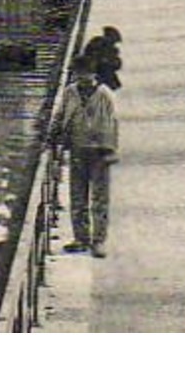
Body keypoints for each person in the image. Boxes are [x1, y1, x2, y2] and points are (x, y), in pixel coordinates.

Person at [51, 56, 119, 258]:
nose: (83, 79)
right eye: (79, 75)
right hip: (77, 149)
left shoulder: (104, 94)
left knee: (99, 198)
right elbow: (61, 115)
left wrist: (110, 149)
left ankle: (98, 240)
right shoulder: (70, 92)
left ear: (94, 74)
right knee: (78, 196)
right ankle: (81, 237)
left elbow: (112, 123)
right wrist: (53, 136)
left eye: (86, 75)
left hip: (99, 150)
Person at [82, 26, 123, 90]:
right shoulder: (96, 42)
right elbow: (88, 54)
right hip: (95, 70)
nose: (113, 43)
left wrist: (114, 62)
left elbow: (116, 64)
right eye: (113, 40)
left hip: (105, 72)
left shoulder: (113, 50)